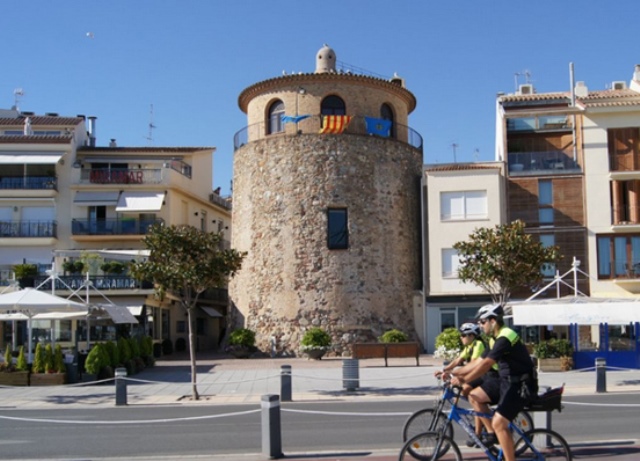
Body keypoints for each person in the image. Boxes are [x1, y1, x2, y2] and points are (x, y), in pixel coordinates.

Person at [451, 304, 537, 461]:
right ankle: (493, 434)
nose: (480, 325)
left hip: (520, 385)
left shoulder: (505, 337)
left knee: (499, 423)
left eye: (482, 322)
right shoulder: (493, 339)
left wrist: (464, 379)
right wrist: (453, 372)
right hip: (505, 382)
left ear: (493, 321)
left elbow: (486, 364)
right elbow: (478, 361)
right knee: (474, 396)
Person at [434, 322, 490, 446]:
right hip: (477, 375)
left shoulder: (478, 345)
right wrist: (444, 370)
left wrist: (456, 375)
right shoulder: (469, 346)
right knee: (463, 391)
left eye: (464, 335)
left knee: (467, 390)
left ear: (472, 336)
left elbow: (473, 365)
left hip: (484, 376)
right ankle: (476, 417)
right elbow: (457, 360)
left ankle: (478, 432)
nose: (461, 337)